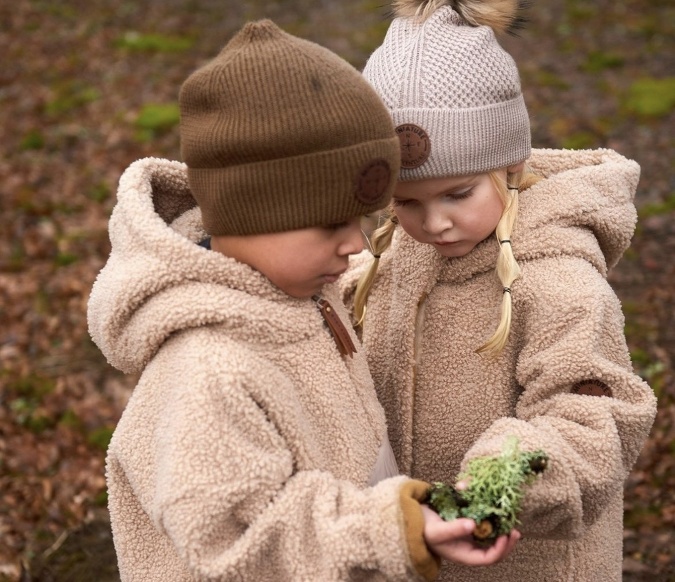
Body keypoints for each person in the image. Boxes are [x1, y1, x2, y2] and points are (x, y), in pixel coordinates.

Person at [87, 19, 520, 582]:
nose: (355, 244)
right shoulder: (208, 368)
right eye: (331, 225)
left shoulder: (295, 290)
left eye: (362, 221)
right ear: (252, 214)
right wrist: (396, 527)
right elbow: (240, 538)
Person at [344, 1, 658, 581]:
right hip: (421, 554)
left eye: (457, 194)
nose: (434, 222)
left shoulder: (559, 283)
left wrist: (498, 482)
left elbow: (593, 416)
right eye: (407, 203)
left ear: (509, 165)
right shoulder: (396, 260)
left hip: (527, 565)